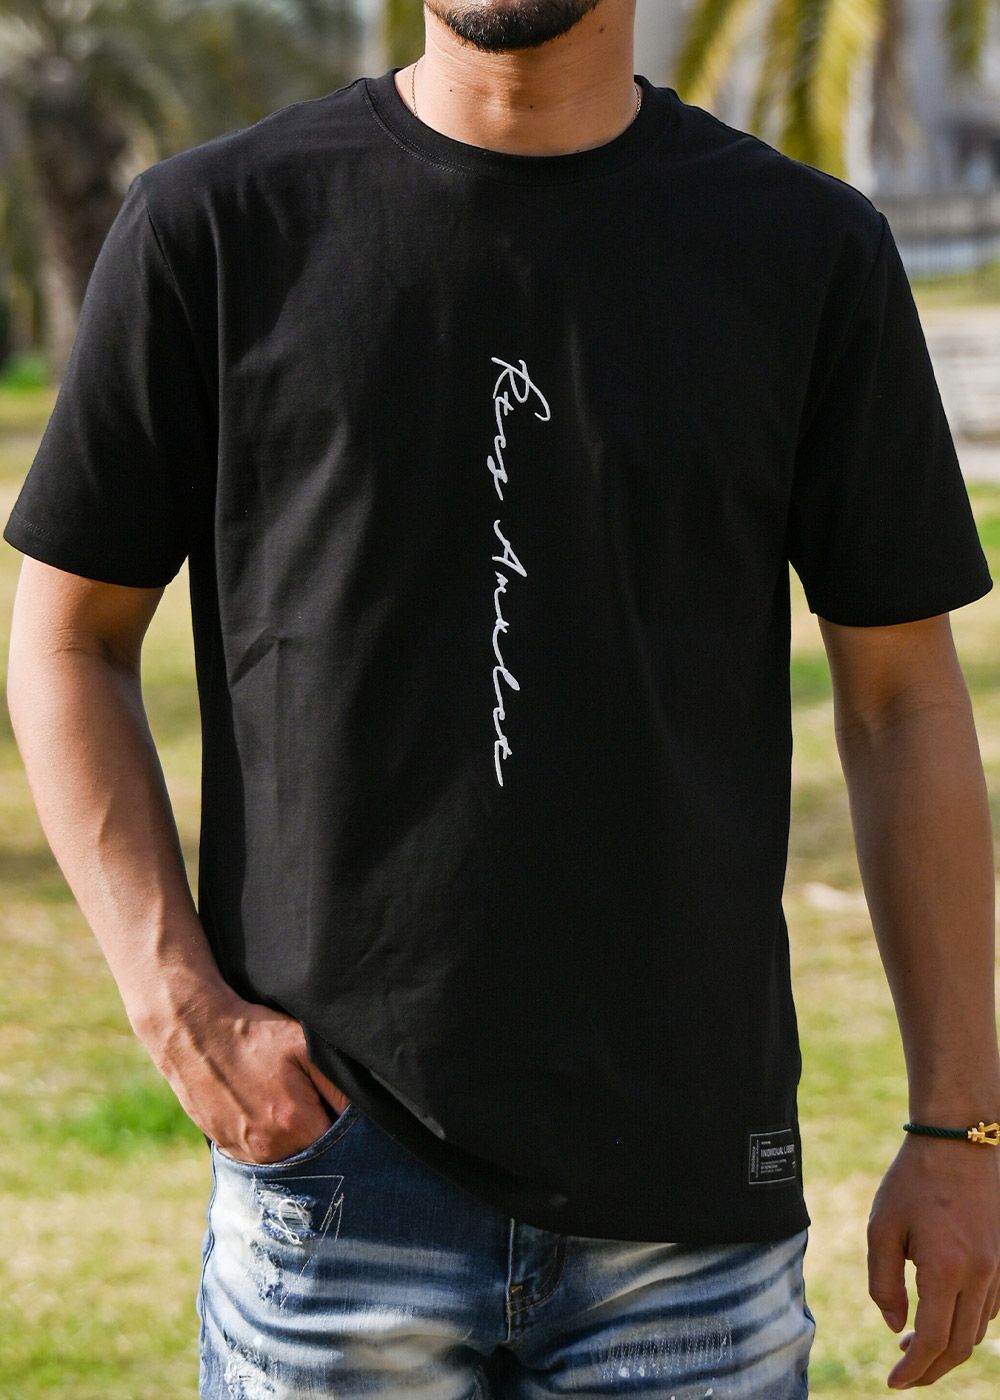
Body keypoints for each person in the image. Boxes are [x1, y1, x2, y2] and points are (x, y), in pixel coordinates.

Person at [5, 0, 1000, 1394]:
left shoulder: (804, 251)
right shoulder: (216, 229)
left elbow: (903, 702)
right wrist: (177, 1006)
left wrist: (961, 1126)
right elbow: (66, 638)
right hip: (334, 1187)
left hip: (690, 1217)